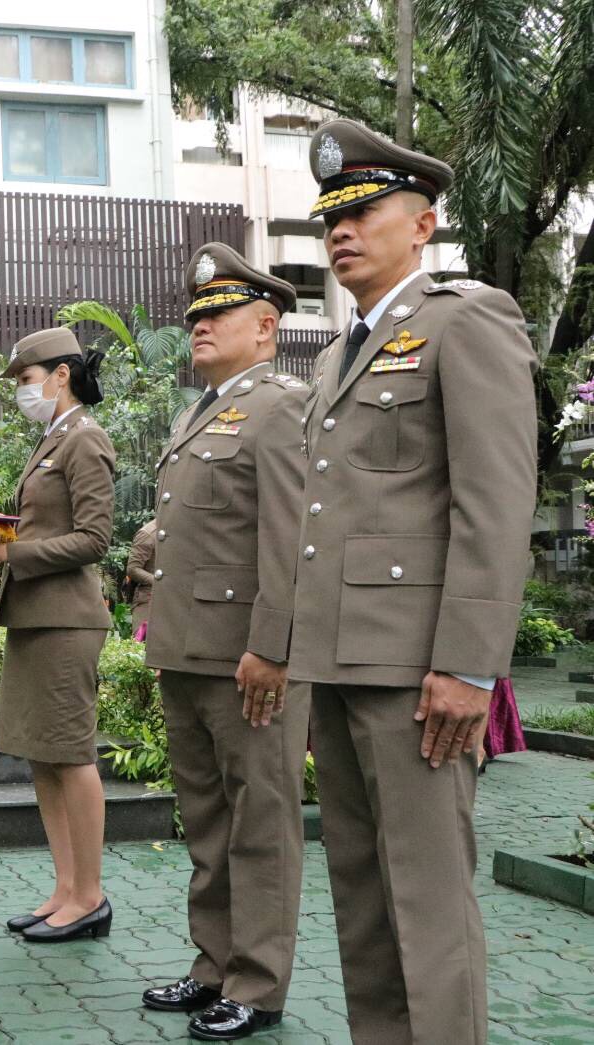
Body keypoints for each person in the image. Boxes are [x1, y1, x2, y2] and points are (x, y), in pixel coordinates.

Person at [291, 119, 538, 1044]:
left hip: (418, 670)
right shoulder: (335, 351)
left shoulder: (463, 318)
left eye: (363, 212)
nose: (340, 231)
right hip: (338, 662)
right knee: (361, 897)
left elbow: (494, 501)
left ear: (422, 224)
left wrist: (468, 665)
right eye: (331, 218)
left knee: (427, 903)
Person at [140, 243, 311, 1041]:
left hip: (247, 655)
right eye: (195, 315)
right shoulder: (195, 412)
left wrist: (272, 646)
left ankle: (257, 981)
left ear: (265, 326)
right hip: (187, 651)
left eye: (219, 314)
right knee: (206, 823)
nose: (199, 326)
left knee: (260, 824)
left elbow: (290, 539)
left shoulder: (281, 407)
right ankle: (213, 963)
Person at [0, 327, 115, 943]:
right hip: (35, 615)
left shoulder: (85, 437)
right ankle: (66, 889)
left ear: (61, 375)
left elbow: (96, 539)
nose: (21, 389)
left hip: (67, 619)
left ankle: (90, 896)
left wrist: (7, 552)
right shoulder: (53, 438)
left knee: (70, 754)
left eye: (26, 378)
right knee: (43, 755)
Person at [126, 519, 157, 640]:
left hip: (172, 600)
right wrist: (161, 582)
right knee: (143, 645)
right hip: (148, 599)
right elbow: (133, 569)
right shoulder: (148, 533)